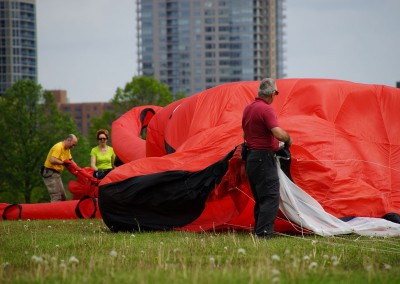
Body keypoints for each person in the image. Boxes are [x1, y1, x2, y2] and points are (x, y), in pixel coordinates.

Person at [242, 78, 292, 239]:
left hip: (250, 158)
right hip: (263, 158)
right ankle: (263, 234)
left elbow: (246, 134)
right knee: (270, 196)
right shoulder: (266, 109)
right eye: (275, 94)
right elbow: (277, 132)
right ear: (272, 93)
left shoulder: (248, 109)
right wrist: (288, 139)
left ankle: (259, 232)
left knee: (260, 197)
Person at [41, 134, 78, 202]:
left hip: (56, 173)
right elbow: (52, 160)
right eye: (73, 144)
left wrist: (79, 170)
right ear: (68, 140)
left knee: (62, 196)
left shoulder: (67, 149)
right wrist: (63, 163)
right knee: (56, 197)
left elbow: (71, 161)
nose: (73, 147)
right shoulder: (58, 147)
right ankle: (53, 212)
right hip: (50, 172)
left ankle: (61, 211)